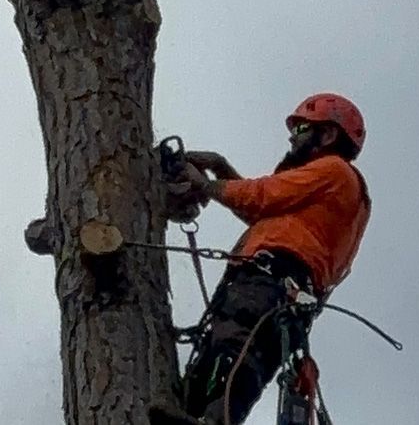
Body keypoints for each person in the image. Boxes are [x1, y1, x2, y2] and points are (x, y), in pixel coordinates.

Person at [150, 93, 371, 425]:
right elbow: (264, 213)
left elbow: (263, 196)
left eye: (301, 129)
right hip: (280, 292)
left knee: (233, 350)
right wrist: (220, 169)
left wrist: (207, 185)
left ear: (327, 134)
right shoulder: (333, 196)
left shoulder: (333, 171)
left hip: (270, 283)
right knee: (223, 356)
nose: (292, 138)